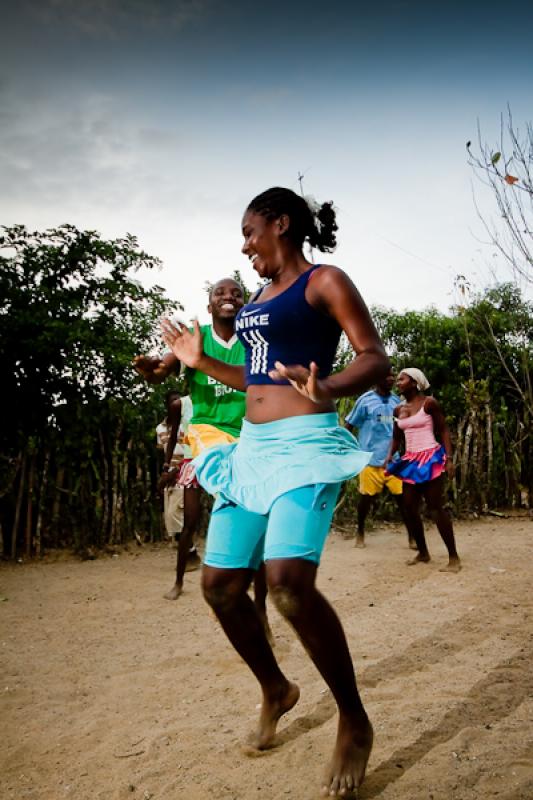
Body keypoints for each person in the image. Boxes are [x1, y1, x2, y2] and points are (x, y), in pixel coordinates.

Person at [161, 187, 390, 798]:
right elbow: (253, 378)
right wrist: (197, 359)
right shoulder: (257, 301)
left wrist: (330, 386)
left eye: (250, 231)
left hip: (307, 446)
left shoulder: (324, 281)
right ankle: (276, 688)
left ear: (280, 225)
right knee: (220, 586)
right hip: (252, 452)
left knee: (287, 580)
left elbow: (375, 359)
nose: (244, 245)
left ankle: (353, 718)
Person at [134, 280, 270, 625]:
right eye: (220, 294)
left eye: (236, 293)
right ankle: (181, 579)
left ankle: (262, 605)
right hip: (205, 441)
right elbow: (163, 371)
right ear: (209, 306)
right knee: (191, 518)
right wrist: (152, 371)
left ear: (245, 304)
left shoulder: (257, 342)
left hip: (248, 439)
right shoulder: (196, 338)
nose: (229, 297)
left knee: (257, 522)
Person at [385, 368, 462, 573]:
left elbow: (443, 429)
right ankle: (423, 552)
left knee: (435, 508)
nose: (397, 382)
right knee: (409, 508)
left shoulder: (429, 403)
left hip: (430, 458)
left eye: (402, 379)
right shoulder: (398, 409)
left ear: (414, 382)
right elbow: (396, 437)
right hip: (410, 461)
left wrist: (449, 459)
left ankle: (453, 557)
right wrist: (389, 456)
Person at [345, 371, 414, 549]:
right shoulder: (365, 401)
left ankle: (412, 537)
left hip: (393, 460)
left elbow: (401, 427)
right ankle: (360, 532)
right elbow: (350, 424)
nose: (391, 379)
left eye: (393, 376)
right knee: (366, 500)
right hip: (370, 459)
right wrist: (345, 447)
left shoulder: (397, 402)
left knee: (404, 500)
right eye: (387, 376)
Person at [156, 390, 201, 600]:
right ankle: (178, 582)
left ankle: (246, 575)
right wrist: (166, 467)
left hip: (219, 458)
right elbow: (173, 437)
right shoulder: (181, 406)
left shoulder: (218, 396)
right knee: (188, 523)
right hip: (191, 463)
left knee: (238, 514)